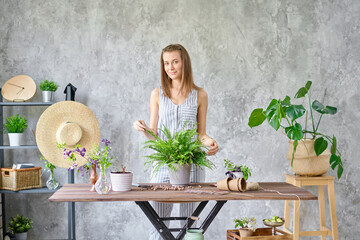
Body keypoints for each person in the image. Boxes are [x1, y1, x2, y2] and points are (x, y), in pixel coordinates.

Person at [133, 44, 218, 240]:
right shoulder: (157, 94)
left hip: (192, 165)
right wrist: (143, 128)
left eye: (175, 62)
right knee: (159, 222)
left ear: (184, 63)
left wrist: (210, 141)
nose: (170, 67)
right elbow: (154, 133)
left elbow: (201, 134)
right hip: (164, 163)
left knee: (190, 224)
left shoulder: (200, 95)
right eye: (166, 63)